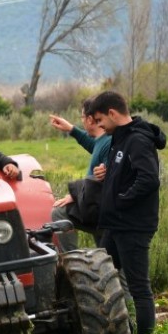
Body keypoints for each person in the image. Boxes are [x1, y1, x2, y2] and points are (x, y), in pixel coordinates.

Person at [86, 90, 167, 334]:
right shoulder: (120, 140)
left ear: (112, 113)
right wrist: (108, 172)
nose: (98, 126)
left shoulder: (138, 141)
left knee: (139, 288)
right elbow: (128, 172)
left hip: (132, 226)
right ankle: (112, 331)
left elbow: (148, 180)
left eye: (99, 120)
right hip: (116, 225)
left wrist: (120, 200)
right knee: (99, 275)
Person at [48, 99, 112, 252]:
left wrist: (77, 195)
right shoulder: (102, 141)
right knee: (111, 257)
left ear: (90, 119)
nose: (82, 122)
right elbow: (91, 143)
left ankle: (71, 260)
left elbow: (105, 182)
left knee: (59, 212)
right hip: (96, 205)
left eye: (82, 118)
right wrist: (70, 128)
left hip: (99, 209)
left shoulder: (108, 143)